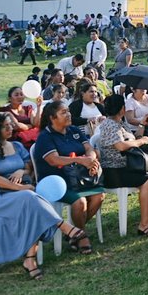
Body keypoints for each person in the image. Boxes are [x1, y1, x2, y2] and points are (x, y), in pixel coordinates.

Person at [0, 113, 84, 279]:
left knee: (32, 205)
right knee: (30, 197)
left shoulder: (17, 147)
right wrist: (19, 187)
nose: (10, 128)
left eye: (10, 124)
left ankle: (30, 259)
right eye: (5, 126)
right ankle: (63, 226)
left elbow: (28, 168)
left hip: (19, 194)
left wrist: (22, 171)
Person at [31, 101, 105, 254]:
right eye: (63, 112)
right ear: (52, 118)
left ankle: (74, 233)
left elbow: (89, 148)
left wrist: (91, 160)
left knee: (99, 196)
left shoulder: (73, 130)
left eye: (68, 111)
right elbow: (54, 160)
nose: (69, 114)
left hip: (79, 178)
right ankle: (81, 236)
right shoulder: (46, 137)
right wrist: (79, 160)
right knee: (80, 202)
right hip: (56, 182)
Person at [97, 94, 148, 236]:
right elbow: (121, 146)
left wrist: (142, 125)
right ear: (122, 109)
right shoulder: (109, 125)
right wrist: (141, 142)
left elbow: (133, 139)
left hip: (127, 166)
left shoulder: (120, 123)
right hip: (114, 171)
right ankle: (144, 224)